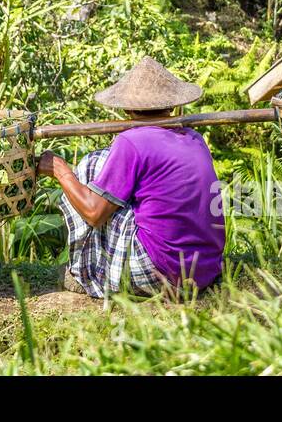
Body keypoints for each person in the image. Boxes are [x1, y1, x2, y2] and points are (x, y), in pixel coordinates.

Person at [37, 57, 225, 298]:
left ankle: (83, 271)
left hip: (164, 273)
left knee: (91, 166)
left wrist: (60, 170)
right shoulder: (193, 137)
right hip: (205, 270)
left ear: (127, 109)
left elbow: (94, 213)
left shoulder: (131, 142)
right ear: (171, 107)